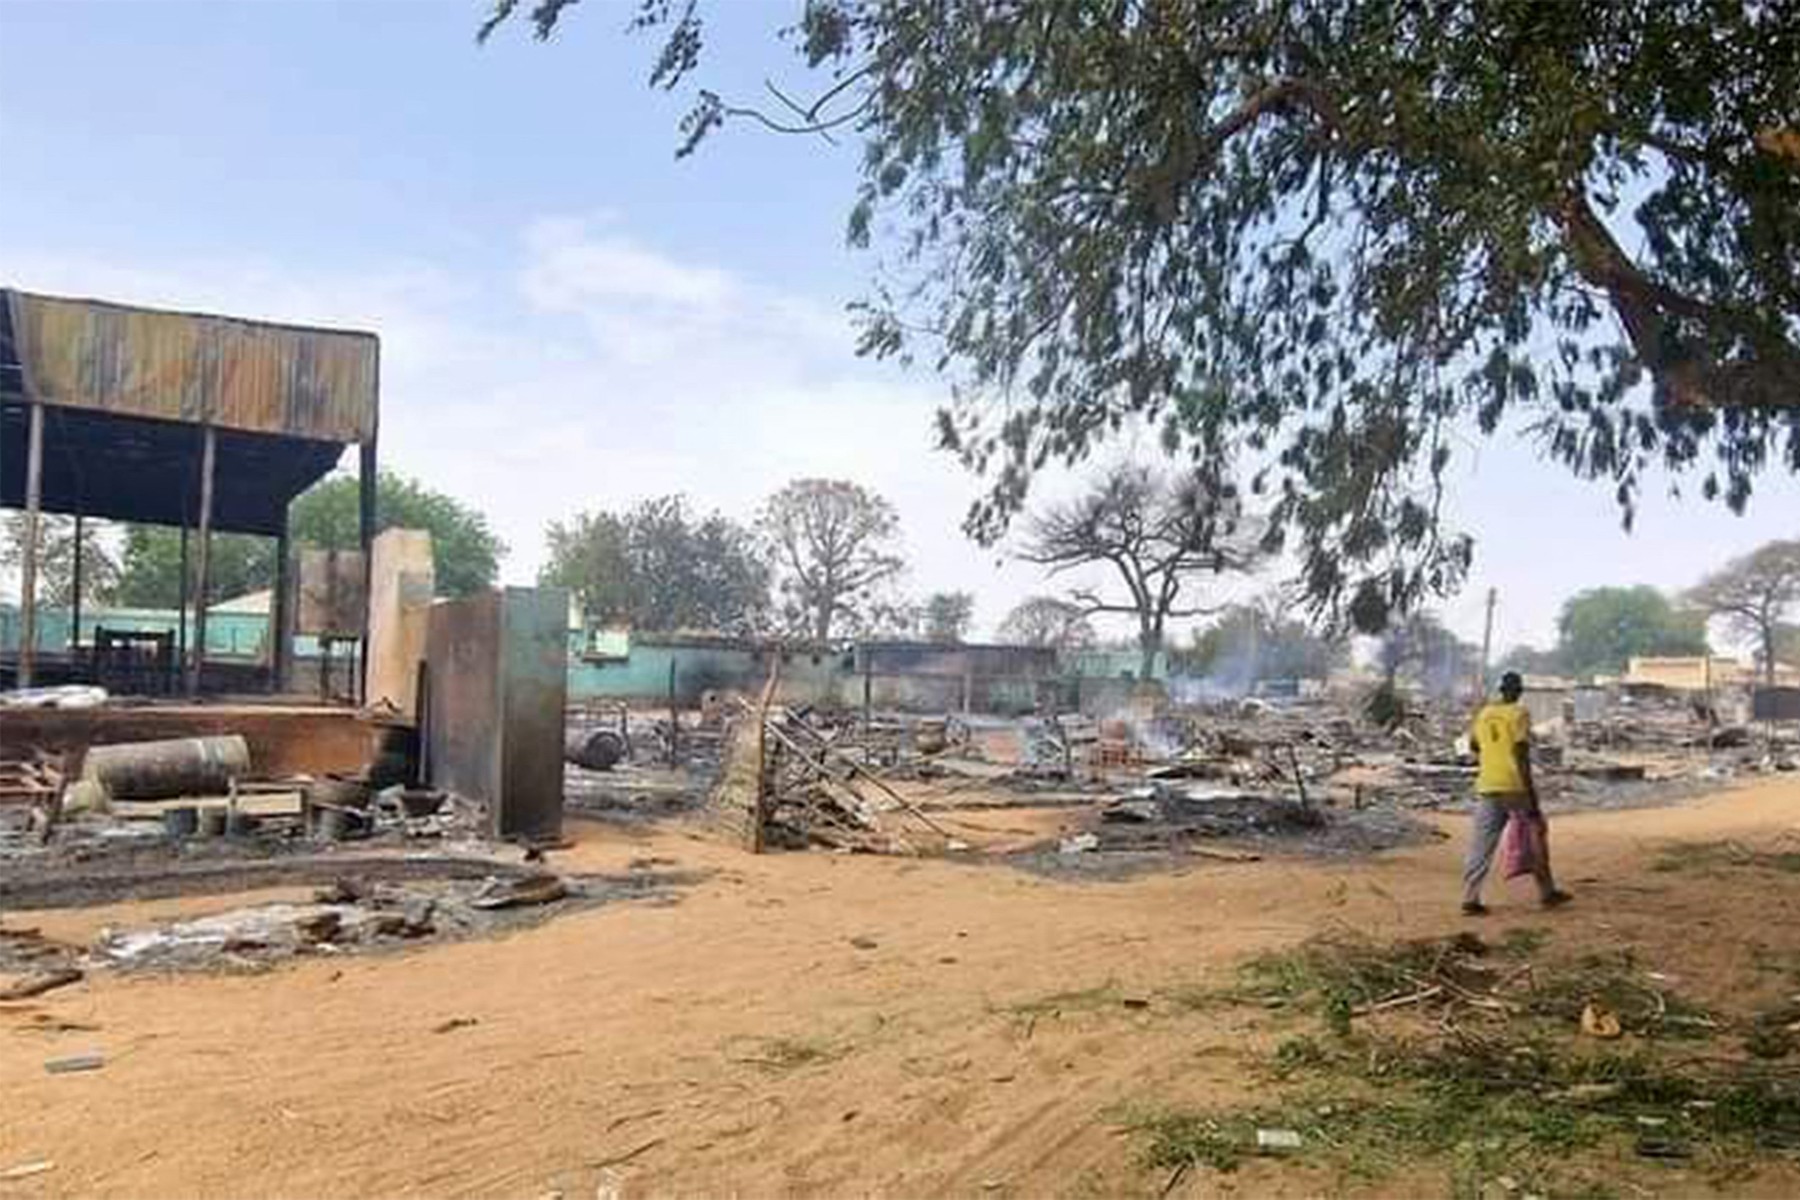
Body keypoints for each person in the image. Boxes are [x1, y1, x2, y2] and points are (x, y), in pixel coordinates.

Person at [1462, 671, 1572, 915]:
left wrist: (1492, 751)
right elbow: (1521, 754)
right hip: (1513, 784)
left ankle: (1470, 898)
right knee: (1535, 835)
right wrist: (1531, 794)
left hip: (1487, 784)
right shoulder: (1519, 713)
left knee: (1481, 844)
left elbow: (1473, 744)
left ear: (1501, 690)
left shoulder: (1485, 713)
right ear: (1519, 691)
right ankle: (1547, 892)